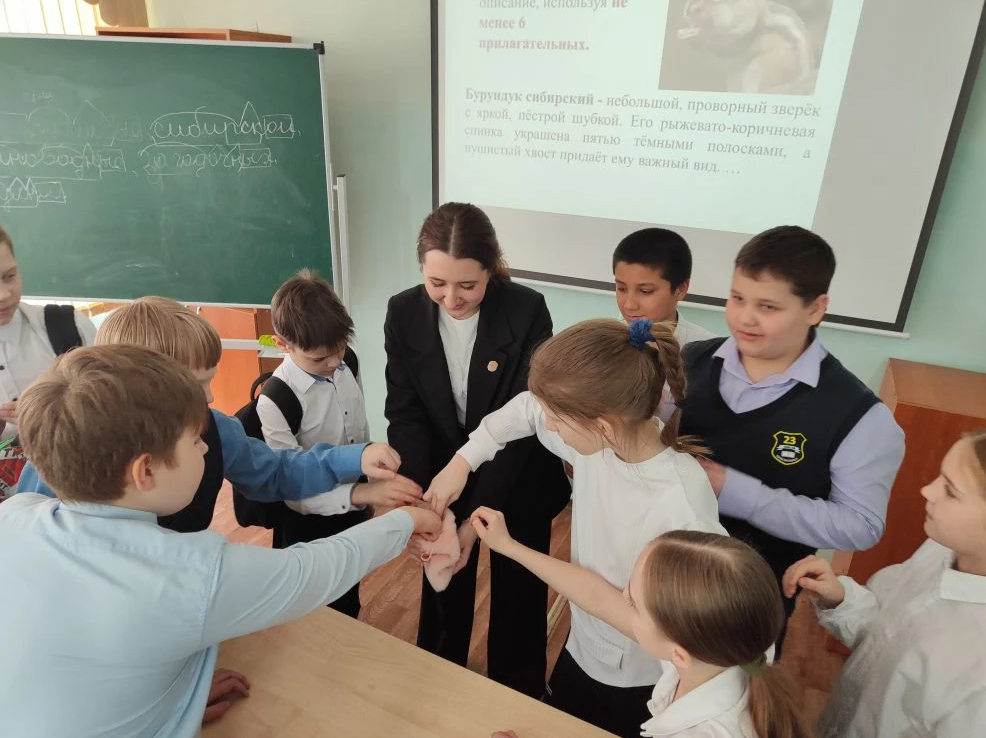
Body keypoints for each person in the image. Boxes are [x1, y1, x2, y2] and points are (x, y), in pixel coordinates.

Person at [0, 345, 442, 738]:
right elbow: (314, 571)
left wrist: (179, 690)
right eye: (195, 440)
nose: (207, 449)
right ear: (145, 471)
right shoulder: (190, 575)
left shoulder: (14, 514)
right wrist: (403, 521)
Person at [426, 318, 724, 737]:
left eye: (557, 418)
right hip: (583, 647)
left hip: (637, 681)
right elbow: (528, 408)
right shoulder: (603, 442)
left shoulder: (679, 505)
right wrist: (463, 461)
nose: (548, 425)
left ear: (602, 425)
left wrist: (511, 547)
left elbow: (653, 625)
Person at [679, 226, 905, 648]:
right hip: (661, 573)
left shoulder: (861, 418)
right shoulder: (690, 360)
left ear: (815, 308)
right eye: (737, 298)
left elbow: (860, 526)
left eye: (767, 306)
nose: (744, 318)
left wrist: (736, 491)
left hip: (749, 604)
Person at [384, 202, 571, 698]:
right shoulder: (402, 312)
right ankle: (437, 682)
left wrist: (475, 516)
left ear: (491, 269)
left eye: (467, 285)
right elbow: (405, 413)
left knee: (519, 589)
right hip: (441, 472)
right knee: (443, 579)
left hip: (518, 473)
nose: (452, 299)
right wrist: (425, 503)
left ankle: (518, 694)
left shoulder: (527, 310)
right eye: (436, 284)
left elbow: (522, 423)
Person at [475, 513, 810, 738]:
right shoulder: (724, 647)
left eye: (633, 603)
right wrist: (509, 546)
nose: (622, 597)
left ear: (679, 653)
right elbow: (597, 596)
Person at [784, 430, 986, 737]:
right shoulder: (939, 549)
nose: (927, 490)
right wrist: (841, 600)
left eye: (950, 490)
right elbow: (884, 631)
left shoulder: (977, 680)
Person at [256, 270, 422, 617]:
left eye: (339, 349)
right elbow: (292, 490)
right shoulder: (276, 400)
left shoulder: (348, 362)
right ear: (283, 344)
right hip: (307, 523)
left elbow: (357, 430)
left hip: (352, 510)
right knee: (310, 614)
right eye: (319, 359)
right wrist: (364, 493)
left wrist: (371, 486)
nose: (334, 364)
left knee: (347, 600)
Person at [0, 224, 96, 496]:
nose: (4, 295)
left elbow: (115, 412)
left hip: (75, 495)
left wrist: (53, 414)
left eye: (9, 276)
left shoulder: (68, 328)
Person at [613, 227, 715, 344]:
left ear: (680, 290)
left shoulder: (710, 351)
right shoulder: (603, 344)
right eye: (622, 289)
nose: (629, 305)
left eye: (646, 291)